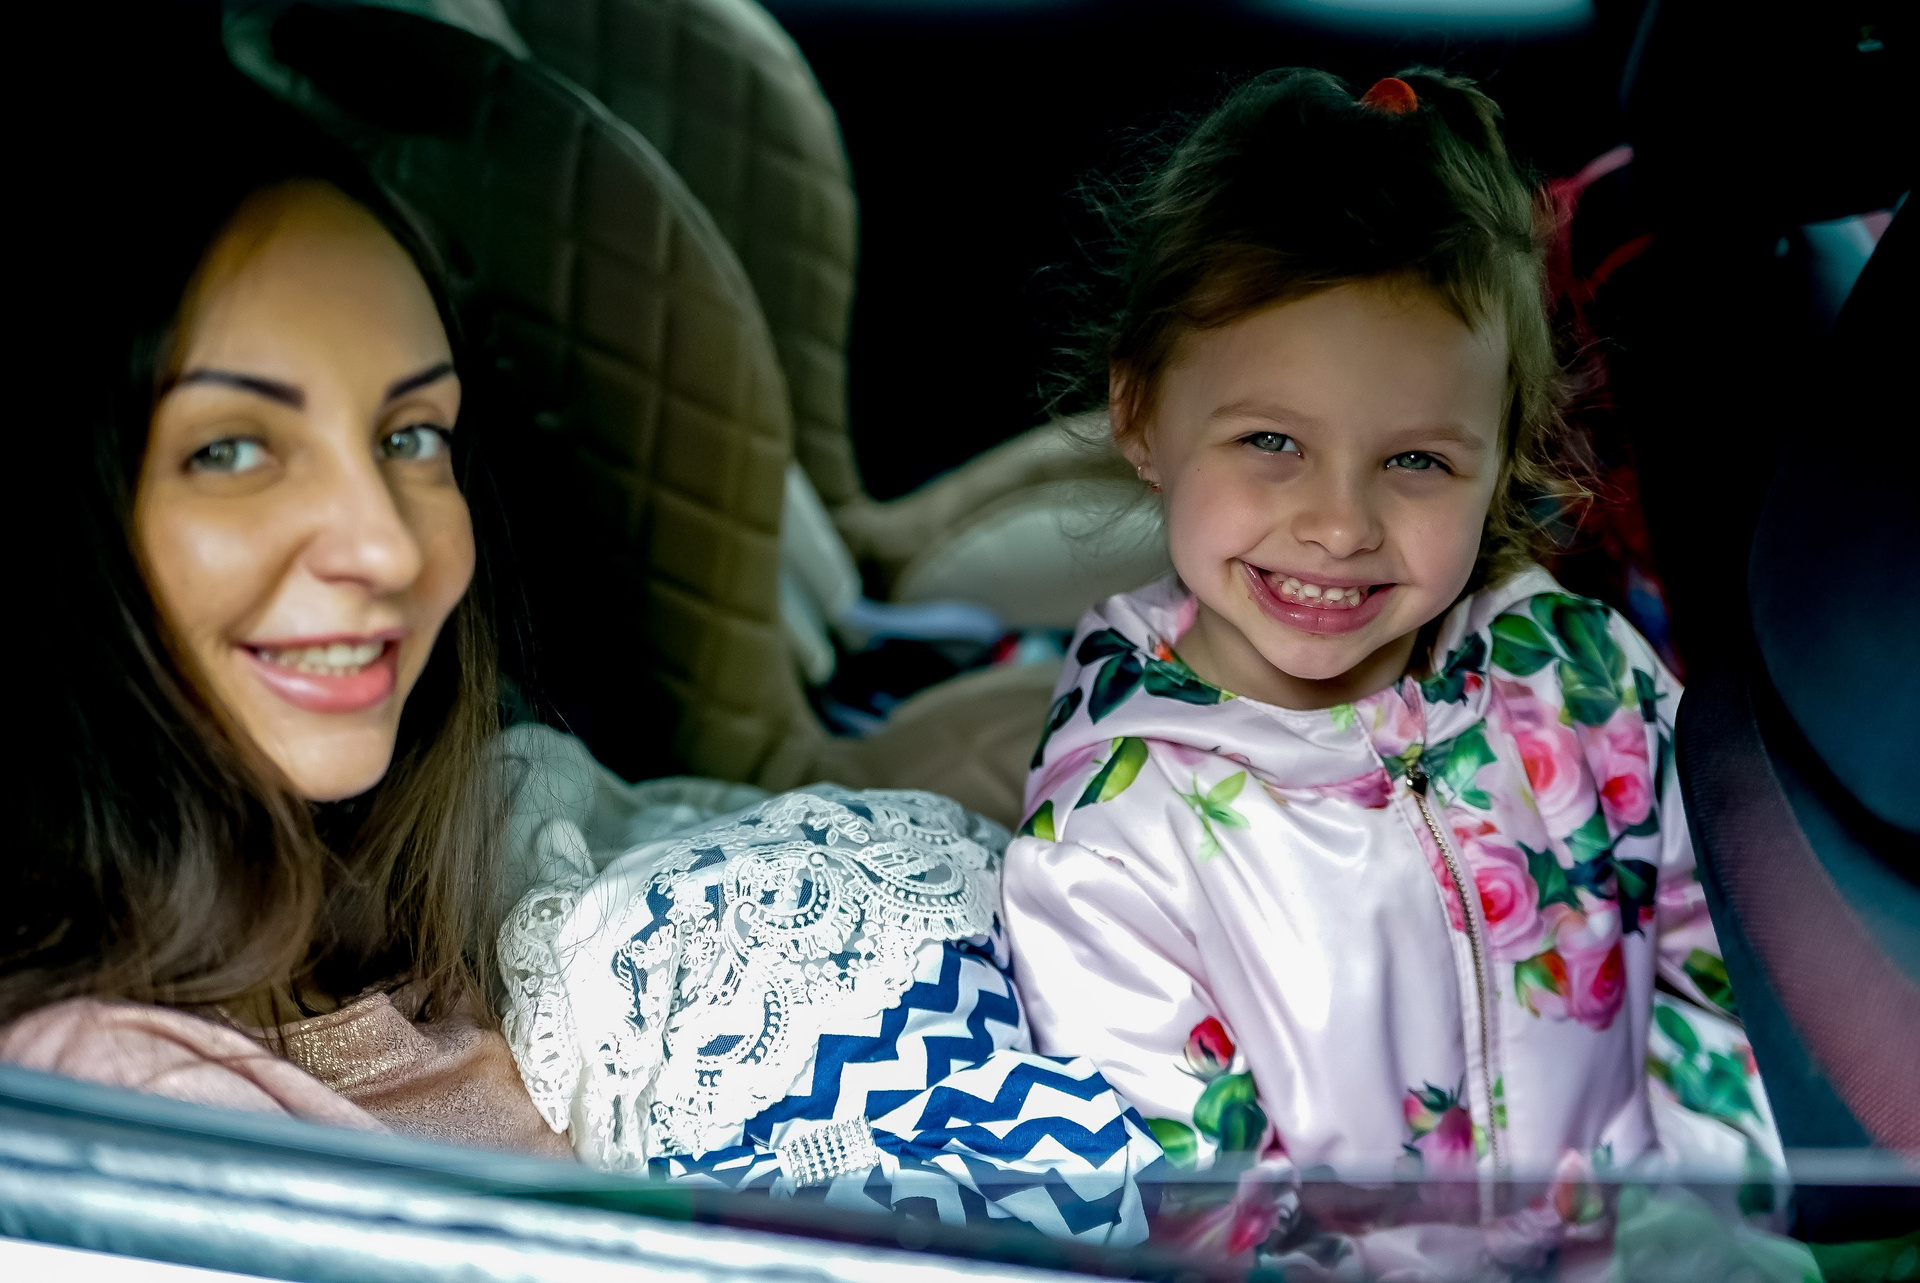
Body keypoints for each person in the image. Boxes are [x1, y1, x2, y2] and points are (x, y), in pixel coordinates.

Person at [3, 41, 1157, 1242]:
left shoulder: (480, 837)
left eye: (410, 436)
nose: (388, 547)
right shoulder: (122, 1113)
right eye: (232, 450)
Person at [1002, 68, 1779, 1253]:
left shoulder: (1576, 671)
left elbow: (1721, 970)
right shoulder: (1109, 849)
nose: (1340, 524)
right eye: (1272, 440)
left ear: (1503, 457)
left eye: (1417, 461)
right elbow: (1205, 1224)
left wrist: (1703, 1223)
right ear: (1142, 414)